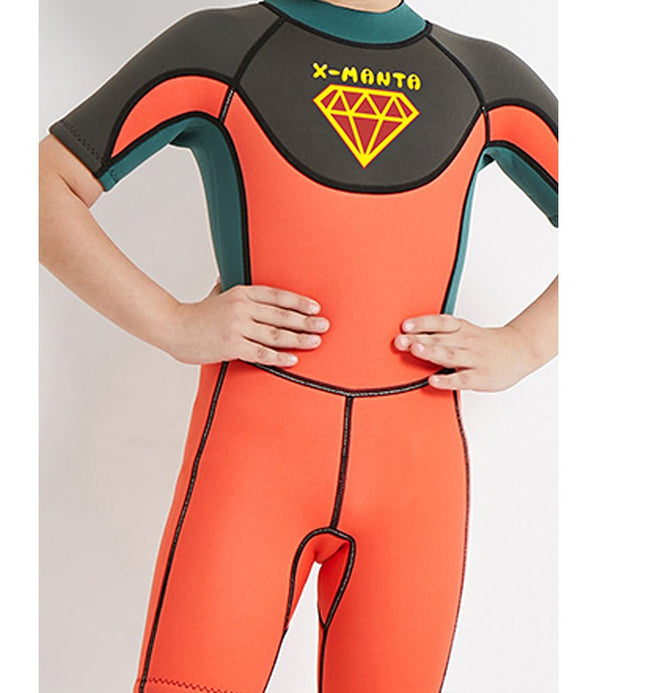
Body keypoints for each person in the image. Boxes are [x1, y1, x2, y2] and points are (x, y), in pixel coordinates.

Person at [39, 0, 557, 691]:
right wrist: (171, 323)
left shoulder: (483, 77)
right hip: (251, 469)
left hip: (416, 485)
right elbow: (41, 187)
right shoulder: (221, 46)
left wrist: (524, 345)